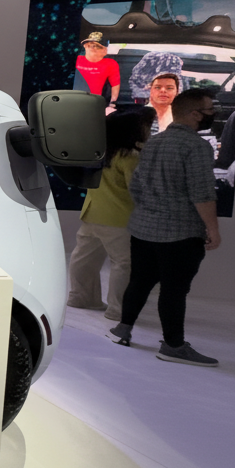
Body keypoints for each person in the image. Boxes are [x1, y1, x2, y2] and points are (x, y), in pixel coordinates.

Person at [110, 89, 221, 366]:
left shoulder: (154, 142)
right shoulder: (196, 147)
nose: (212, 114)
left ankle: (123, 329)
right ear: (196, 114)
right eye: (209, 109)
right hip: (180, 232)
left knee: (140, 281)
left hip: (145, 227)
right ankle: (173, 344)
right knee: (174, 290)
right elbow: (202, 192)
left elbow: (136, 185)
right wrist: (213, 229)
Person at [67, 111, 151, 320]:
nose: (149, 131)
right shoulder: (131, 156)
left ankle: (80, 297)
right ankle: (118, 309)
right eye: (147, 126)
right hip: (121, 218)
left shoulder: (100, 152)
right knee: (124, 263)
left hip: (92, 213)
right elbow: (138, 189)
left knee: (83, 258)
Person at [74, 32, 121, 106]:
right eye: (90, 45)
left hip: (93, 102)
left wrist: (112, 103)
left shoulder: (110, 64)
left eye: (98, 46)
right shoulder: (75, 60)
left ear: (105, 51)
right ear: (85, 46)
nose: (93, 48)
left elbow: (115, 85)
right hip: (70, 99)